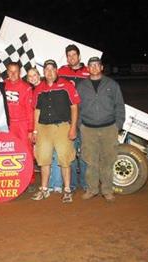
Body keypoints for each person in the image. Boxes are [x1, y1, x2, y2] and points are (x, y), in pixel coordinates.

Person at [77, 57, 125, 202]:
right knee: (91, 161)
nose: (94, 68)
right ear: (87, 68)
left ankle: (107, 191)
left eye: (97, 65)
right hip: (88, 129)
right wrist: (80, 125)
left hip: (109, 128)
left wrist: (118, 125)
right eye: (91, 66)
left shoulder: (112, 84)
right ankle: (92, 189)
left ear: (101, 67)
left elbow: (119, 105)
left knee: (107, 161)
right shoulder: (81, 86)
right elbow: (76, 107)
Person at [31, 60, 80, 203]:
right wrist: (35, 130)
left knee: (65, 160)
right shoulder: (39, 88)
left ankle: (67, 190)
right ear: (44, 72)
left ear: (57, 71)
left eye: (52, 69)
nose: (50, 72)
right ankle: (44, 189)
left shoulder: (66, 85)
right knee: (44, 160)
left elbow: (74, 107)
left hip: (62, 127)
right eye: (47, 69)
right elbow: (37, 110)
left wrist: (73, 128)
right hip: (43, 128)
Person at [58, 44, 90, 191]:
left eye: (74, 55)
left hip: (85, 118)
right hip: (68, 118)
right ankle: (70, 184)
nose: (71, 58)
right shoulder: (61, 71)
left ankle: (85, 183)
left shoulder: (88, 71)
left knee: (85, 153)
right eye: (69, 55)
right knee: (69, 153)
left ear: (79, 56)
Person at [27, 68, 62, 193]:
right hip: (37, 126)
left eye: (35, 75)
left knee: (55, 154)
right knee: (43, 156)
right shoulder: (29, 90)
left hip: (50, 124)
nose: (33, 78)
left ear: (39, 75)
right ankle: (47, 184)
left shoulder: (46, 86)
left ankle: (56, 184)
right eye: (30, 76)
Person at [4, 62, 35, 192]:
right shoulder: (2, 85)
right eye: (10, 71)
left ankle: (29, 180)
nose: (13, 74)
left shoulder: (26, 87)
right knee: (10, 152)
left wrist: (30, 129)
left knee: (26, 152)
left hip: (22, 124)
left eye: (15, 71)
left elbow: (30, 110)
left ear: (20, 72)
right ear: (7, 72)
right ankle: (13, 178)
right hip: (7, 124)